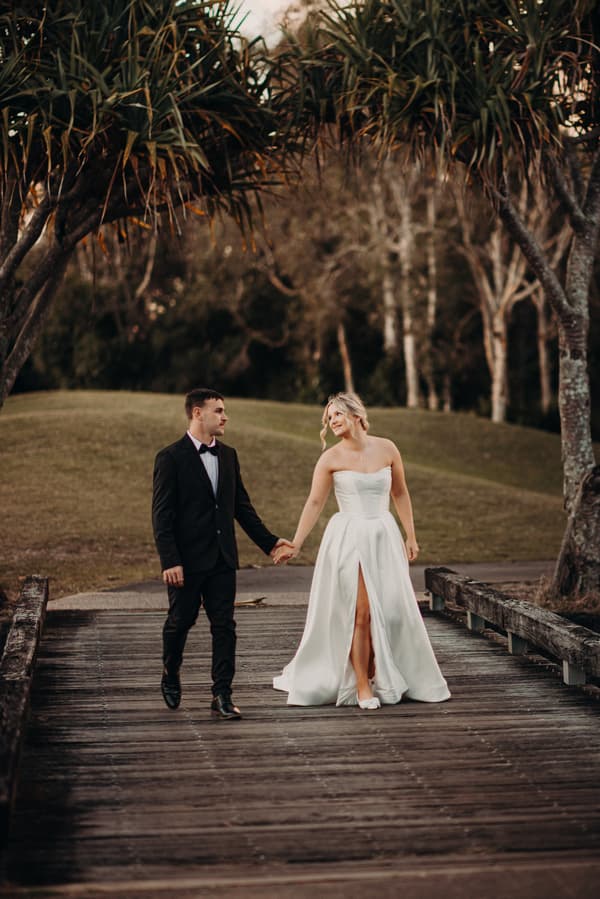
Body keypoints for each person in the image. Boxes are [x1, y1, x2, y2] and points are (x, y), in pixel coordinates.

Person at [273, 392, 450, 709]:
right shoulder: (330, 458)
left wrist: (410, 535)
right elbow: (315, 502)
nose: (332, 421)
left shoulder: (387, 448)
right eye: (328, 418)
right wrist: (296, 543)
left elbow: (400, 492)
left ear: (355, 414)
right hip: (349, 537)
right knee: (362, 612)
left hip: (384, 535)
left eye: (337, 414)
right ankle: (360, 686)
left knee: (391, 611)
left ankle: (374, 672)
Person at [152, 388, 291, 719]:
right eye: (218, 410)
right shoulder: (169, 457)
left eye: (224, 410)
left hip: (222, 560)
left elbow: (241, 507)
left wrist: (270, 543)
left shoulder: (228, 455)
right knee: (179, 622)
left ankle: (222, 695)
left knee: (224, 626)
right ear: (197, 413)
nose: (225, 416)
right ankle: (170, 672)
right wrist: (170, 560)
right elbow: (161, 515)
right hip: (185, 562)